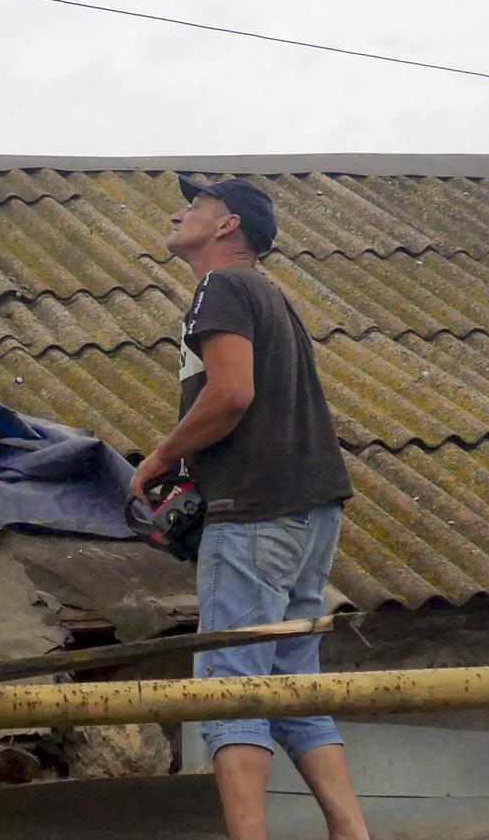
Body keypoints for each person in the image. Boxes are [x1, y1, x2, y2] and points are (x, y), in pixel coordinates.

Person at [130, 175, 366, 840]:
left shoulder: (224, 287)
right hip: (309, 513)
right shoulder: (273, 297)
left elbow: (231, 393)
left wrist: (161, 458)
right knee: (294, 687)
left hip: (256, 513)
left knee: (230, 686)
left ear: (227, 225)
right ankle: (353, 834)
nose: (178, 214)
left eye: (194, 207)